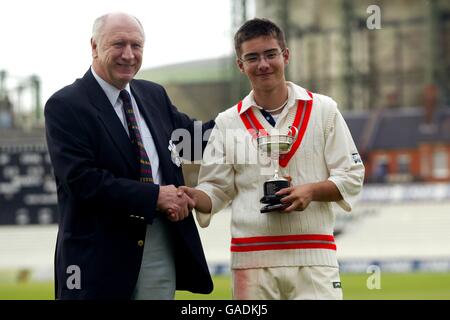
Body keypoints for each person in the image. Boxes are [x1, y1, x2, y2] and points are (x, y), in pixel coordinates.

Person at [181, 18, 365, 300]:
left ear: (286, 56)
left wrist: (311, 191)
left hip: (314, 257)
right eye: (252, 57)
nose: (263, 64)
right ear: (240, 65)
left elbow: (351, 175)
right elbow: (216, 190)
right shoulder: (228, 122)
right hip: (251, 262)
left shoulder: (324, 110)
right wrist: (193, 196)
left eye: (270, 54)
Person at [44, 12, 214, 299]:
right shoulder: (65, 105)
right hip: (96, 255)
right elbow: (82, 180)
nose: (129, 54)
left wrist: (250, 112)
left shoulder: (153, 95)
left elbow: (195, 143)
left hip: (160, 242)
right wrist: (155, 196)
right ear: (94, 47)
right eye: (118, 44)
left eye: (136, 46)